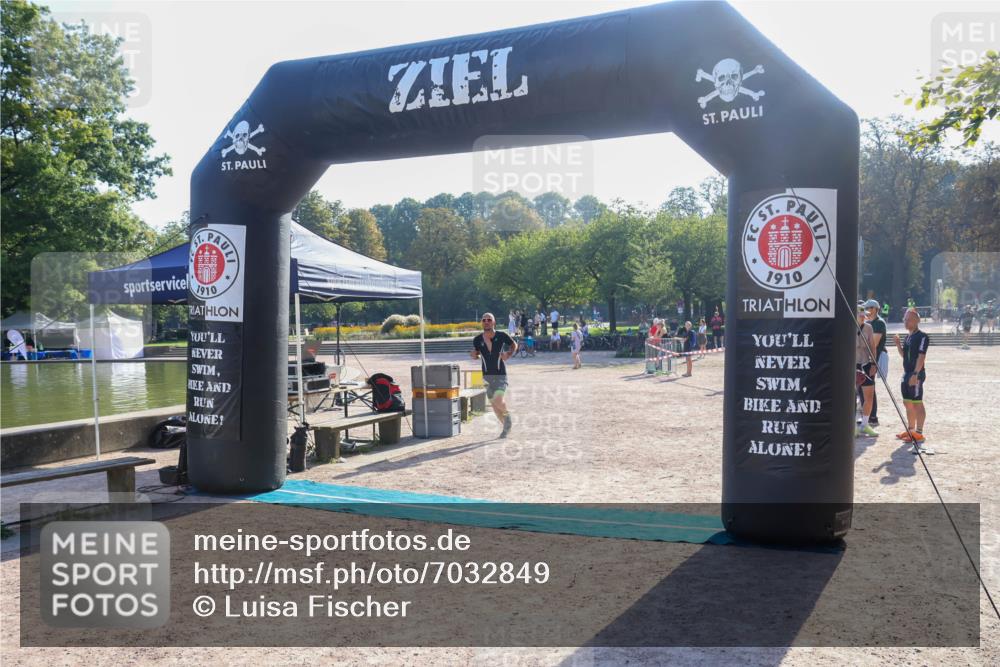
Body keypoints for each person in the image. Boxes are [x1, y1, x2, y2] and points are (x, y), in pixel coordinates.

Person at [471, 312, 517, 438]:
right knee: (494, 405)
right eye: (484, 320)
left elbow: (514, 345)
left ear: (494, 322)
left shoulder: (501, 335)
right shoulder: (477, 339)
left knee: (498, 399)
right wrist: (474, 355)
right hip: (486, 376)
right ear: (482, 322)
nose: (486, 322)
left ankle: (508, 417)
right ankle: (505, 428)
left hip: (500, 374)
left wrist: (508, 354)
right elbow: (477, 354)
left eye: (489, 320)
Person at [895, 308, 929, 448]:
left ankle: (919, 432)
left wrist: (915, 374)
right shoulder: (908, 337)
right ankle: (910, 430)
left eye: (908, 319)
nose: (905, 322)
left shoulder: (922, 337)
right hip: (907, 373)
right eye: (904, 319)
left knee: (917, 402)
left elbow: (921, 356)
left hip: (916, 374)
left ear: (916, 321)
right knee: (907, 402)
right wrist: (898, 345)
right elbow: (904, 355)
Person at [863, 299, 887, 427]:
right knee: (863, 388)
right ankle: (866, 415)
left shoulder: (879, 323)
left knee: (869, 388)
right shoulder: (866, 323)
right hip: (864, 359)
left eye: (871, 307)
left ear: (876, 309)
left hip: (872, 359)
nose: (868, 310)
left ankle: (872, 416)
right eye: (866, 308)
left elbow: (874, 343)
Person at [855, 307, 878, 437]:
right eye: (860, 315)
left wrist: (874, 363)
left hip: (866, 364)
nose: (863, 317)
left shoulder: (868, 328)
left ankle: (865, 424)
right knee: (852, 398)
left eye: (865, 315)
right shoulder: (848, 326)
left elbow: (872, 346)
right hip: (852, 364)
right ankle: (852, 426)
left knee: (869, 396)